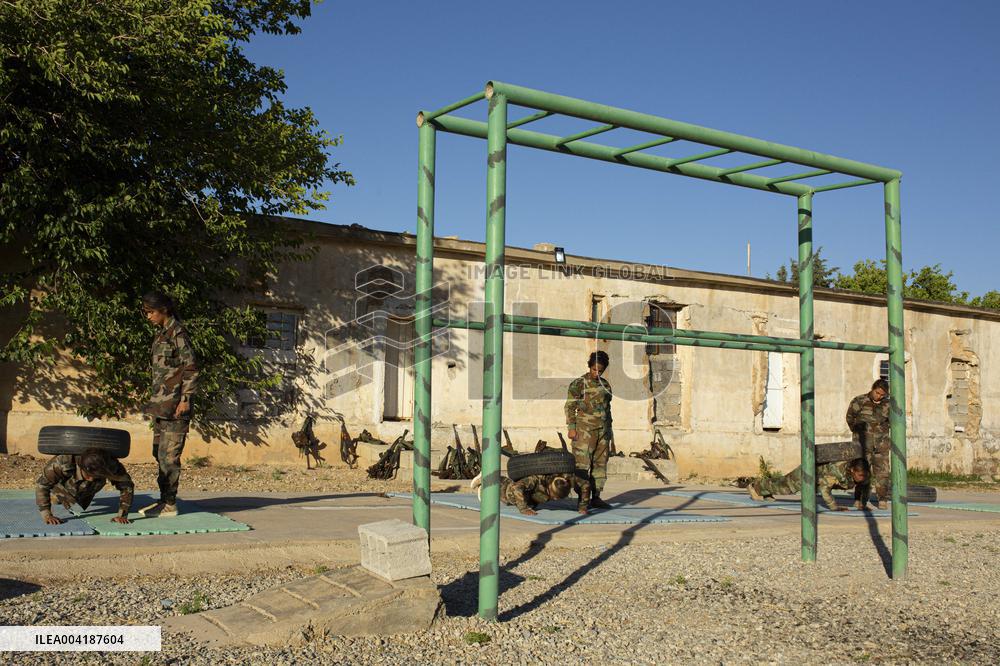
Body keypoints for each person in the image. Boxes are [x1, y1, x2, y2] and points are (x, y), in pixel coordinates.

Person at [139, 291, 199, 517]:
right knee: (159, 453)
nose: (148, 316)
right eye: (146, 312)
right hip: (161, 406)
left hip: (176, 407)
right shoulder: (162, 335)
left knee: (169, 457)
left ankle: (170, 504)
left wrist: (186, 399)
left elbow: (191, 368)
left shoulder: (178, 333)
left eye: (150, 312)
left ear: (163, 310)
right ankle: (164, 500)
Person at [565, 350, 614, 509]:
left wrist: (610, 432)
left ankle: (596, 496)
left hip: (603, 432)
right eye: (594, 369)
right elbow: (570, 407)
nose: (597, 373)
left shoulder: (605, 385)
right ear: (589, 366)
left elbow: (608, 409)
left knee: (600, 465)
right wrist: (572, 428)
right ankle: (582, 498)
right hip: (584, 431)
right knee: (582, 465)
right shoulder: (579, 384)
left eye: (600, 370)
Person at [36, 448, 134, 525]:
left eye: (96, 477)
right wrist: (47, 515)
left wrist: (122, 515)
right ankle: (58, 496)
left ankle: (79, 497)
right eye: (88, 475)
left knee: (79, 500)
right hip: (63, 485)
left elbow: (127, 486)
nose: (91, 479)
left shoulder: (111, 466)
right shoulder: (62, 462)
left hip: (86, 491)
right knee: (57, 500)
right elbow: (42, 485)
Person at [748, 458, 871, 511]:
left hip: (819, 477)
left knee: (783, 484)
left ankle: (765, 490)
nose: (862, 478)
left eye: (864, 475)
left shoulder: (863, 474)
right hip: (809, 470)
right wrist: (834, 507)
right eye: (860, 475)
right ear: (852, 470)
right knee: (786, 488)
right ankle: (756, 486)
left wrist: (862, 504)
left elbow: (865, 487)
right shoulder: (836, 471)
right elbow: (825, 489)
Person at [846, 378, 891, 508]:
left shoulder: (889, 405)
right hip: (862, 445)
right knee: (862, 472)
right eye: (877, 393)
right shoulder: (859, 401)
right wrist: (858, 433)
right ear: (872, 389)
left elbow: (893, 422)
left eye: (882, 395)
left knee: (883, 473)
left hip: (881, 445)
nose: (879, 396)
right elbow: (850, 418)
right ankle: (859, 499)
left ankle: (882, 499)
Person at [472, 472, 590, 515]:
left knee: (532, 501)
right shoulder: (536, 479)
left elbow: (585, 484)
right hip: (516, 487)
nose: (555, 500)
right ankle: (488, 478)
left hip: (532, 494)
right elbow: (516, 487)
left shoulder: (568, 479)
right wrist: (523, 508)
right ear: (550, 487)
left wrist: (583, 506)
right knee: (510, 495)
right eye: (554, 496)